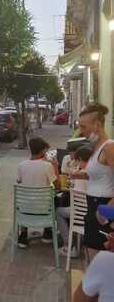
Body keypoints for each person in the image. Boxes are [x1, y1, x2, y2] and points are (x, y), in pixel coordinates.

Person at [70, 103, 114, 261]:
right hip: (93, 206)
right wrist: (81, 175)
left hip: (102, 207)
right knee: (91, 257)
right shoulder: (97, 147)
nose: (81, 131)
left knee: (99, 261)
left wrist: (105, 209)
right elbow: (100, 176)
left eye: (83, 126)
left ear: (97, 125)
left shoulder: (109, 148)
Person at [16, 137, 59, 249]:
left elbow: (19, 181)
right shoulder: (48, 166)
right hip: (43, 211)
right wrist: (55, 167)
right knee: (54, 198)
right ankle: (48, 232)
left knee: (26, 199)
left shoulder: (21, 165)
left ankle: (23, 235)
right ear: (43, 151)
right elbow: (58, 186)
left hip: (24, 211)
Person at [57, 146, 93, 258]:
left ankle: (69, 245)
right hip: (92, 214)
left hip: (78, 213)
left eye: (77, 160)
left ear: (80, 159)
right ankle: (78, 242)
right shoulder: (96, 174)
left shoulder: (81, 174)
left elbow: (69, 186)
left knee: (58, 211)